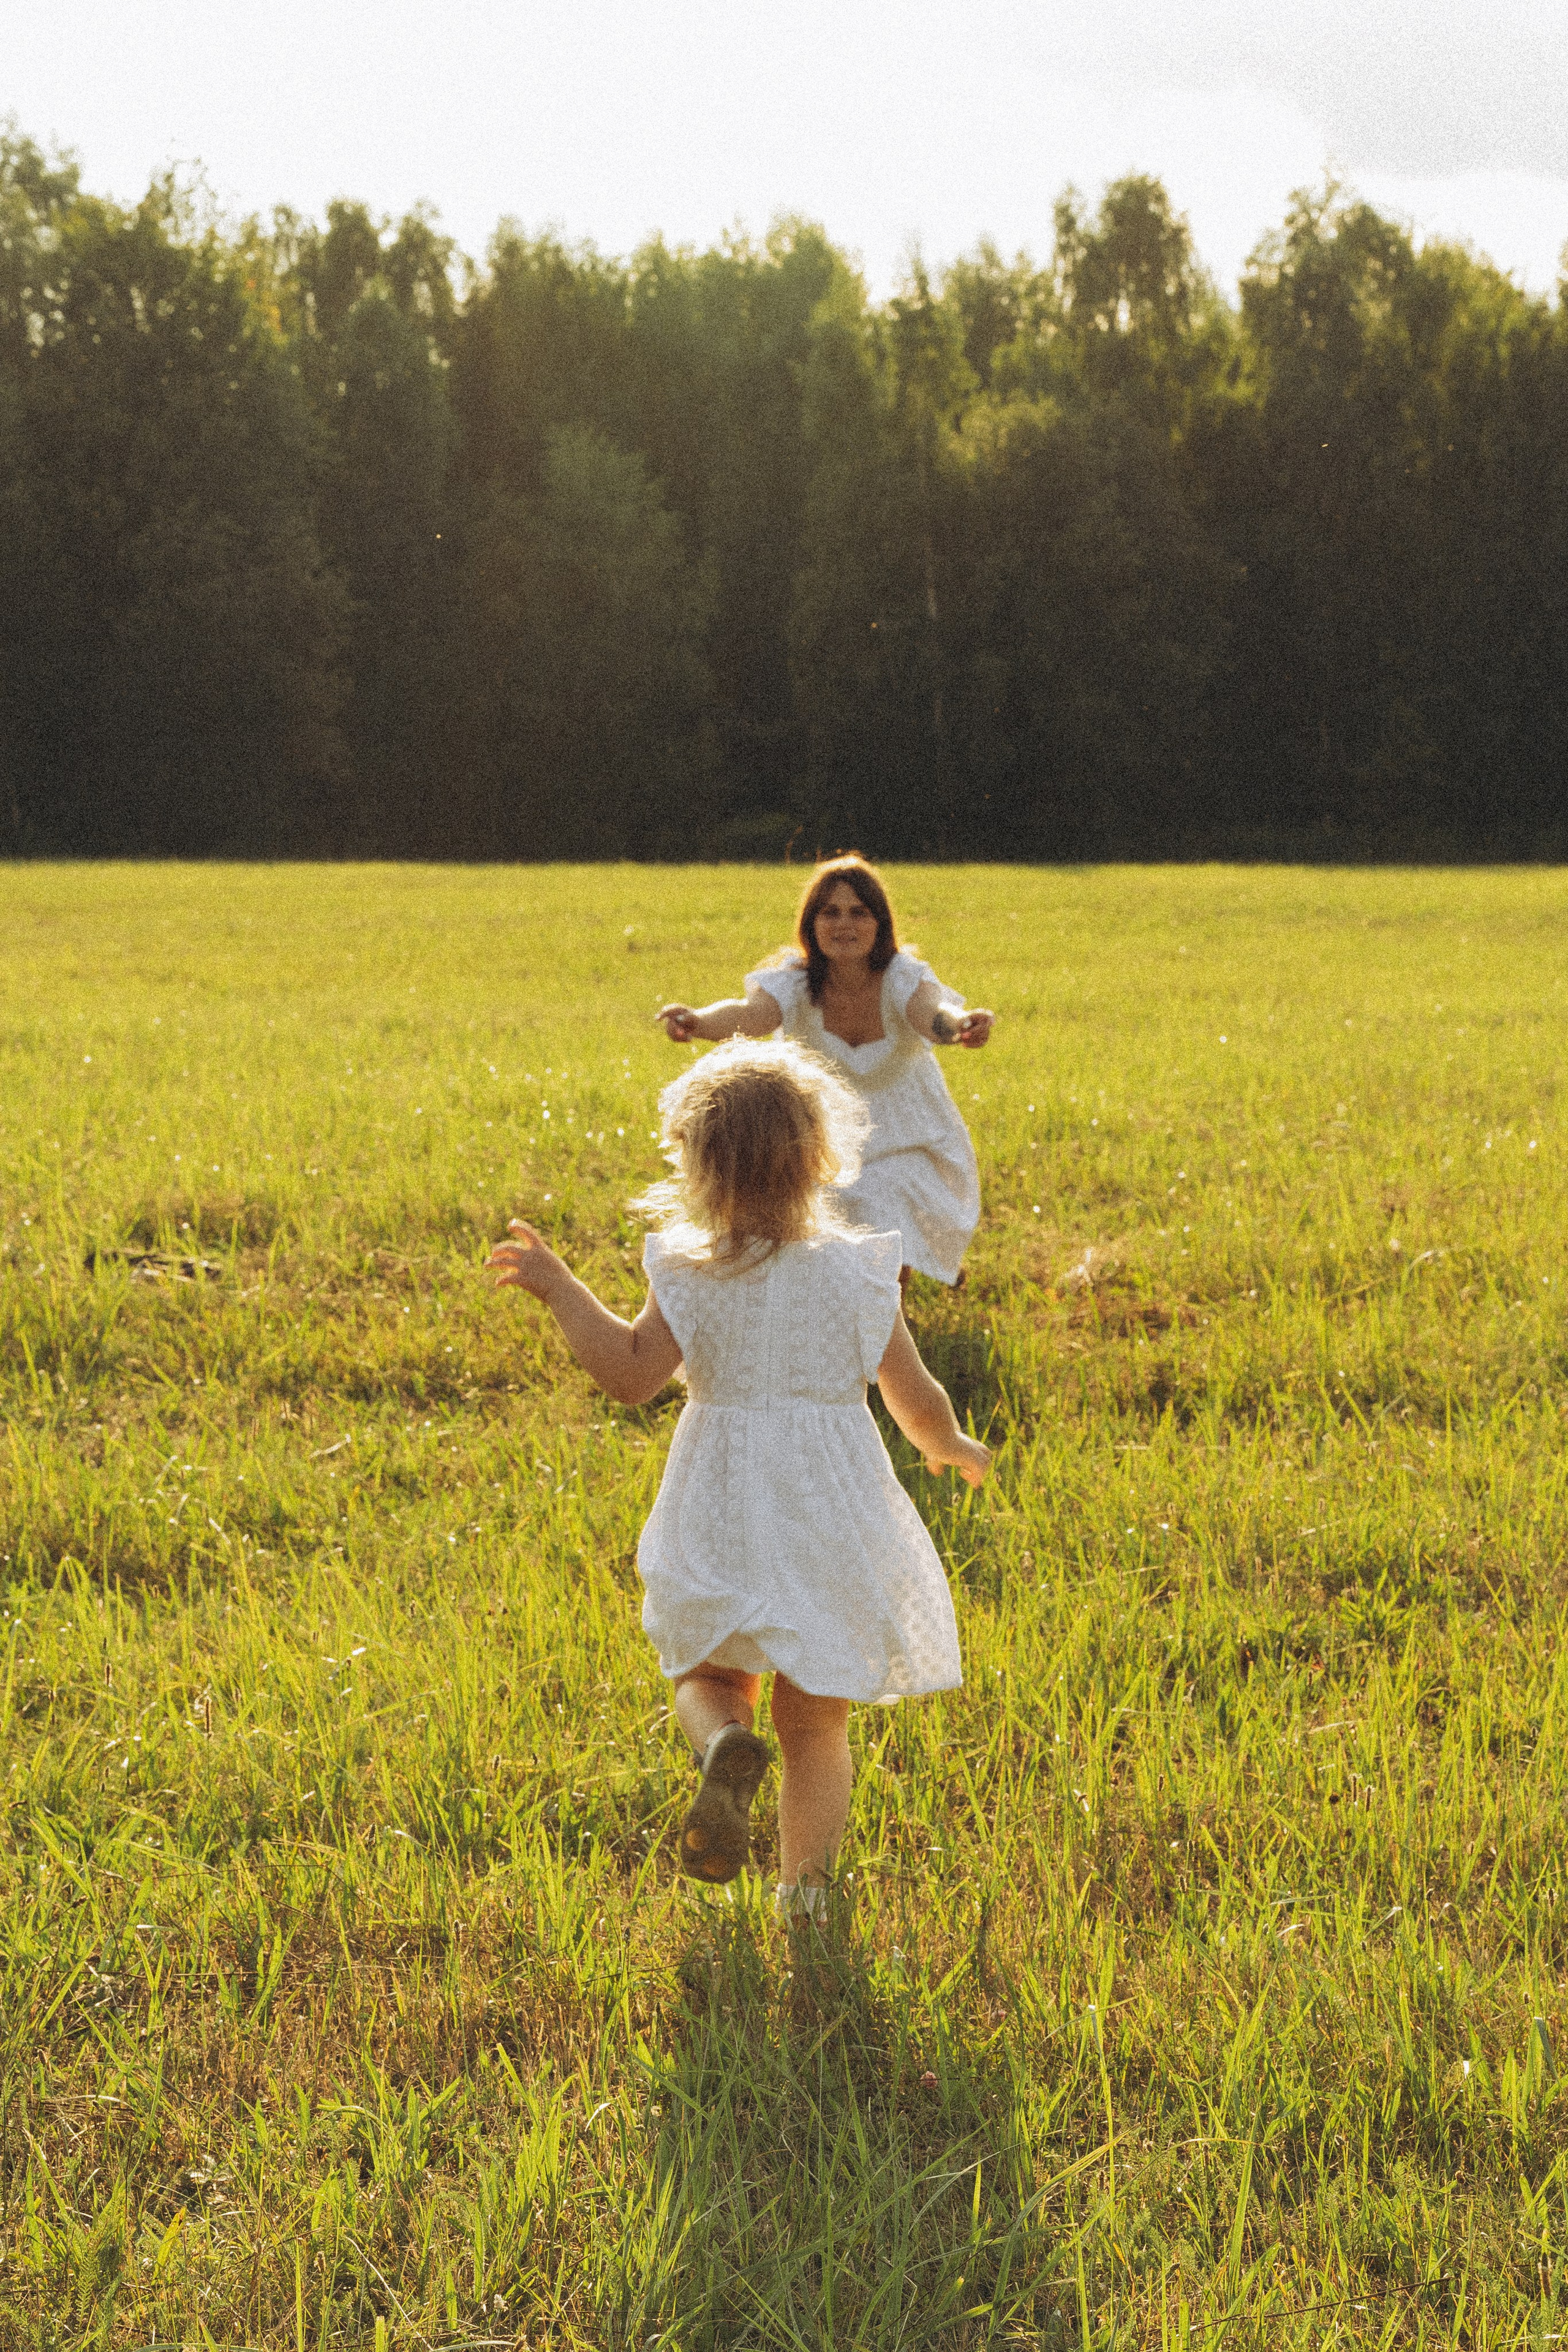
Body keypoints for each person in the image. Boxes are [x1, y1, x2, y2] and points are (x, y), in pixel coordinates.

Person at [486, 1037, 991, 1921]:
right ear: (821, 1156)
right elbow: (912, 1394)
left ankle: (723, 1740)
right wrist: (948, 1442)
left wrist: (563, 1290)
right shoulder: (860, 1270)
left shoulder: (692, 1272)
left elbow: (630, 1375)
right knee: (817, 1724)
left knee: (708, 1672)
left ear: (698, 1166)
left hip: (721, 1502)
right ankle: (805, 1898)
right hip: (829, 1509)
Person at [655, 856, 993, 1289]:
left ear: (879, 923)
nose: (843, 925)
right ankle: (838, 1297)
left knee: (886, 1196)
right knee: (822, 1205)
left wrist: (963, 1026)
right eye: (830, 912)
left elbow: (932, 1015)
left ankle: (890, 1308)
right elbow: (749, 1015)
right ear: (811, 923)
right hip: (823, 1136)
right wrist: (696, 1021)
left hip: (909, 1138)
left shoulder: (902, 976)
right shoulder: (795, 983)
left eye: (859, 912)